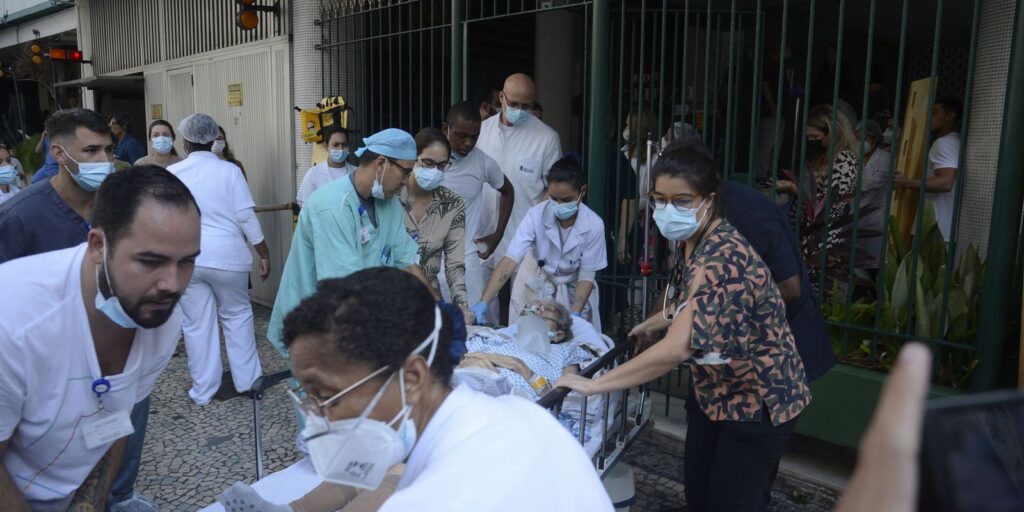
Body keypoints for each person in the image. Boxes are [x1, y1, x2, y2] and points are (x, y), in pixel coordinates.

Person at [219, 267, 613, 512]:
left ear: (411, 378)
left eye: (324, 394)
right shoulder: (514, 419)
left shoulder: (436, 498)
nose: (314, 416)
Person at [557, 143, 811, 511]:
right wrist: (651, 323)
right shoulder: (691, 242)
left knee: (732, 502)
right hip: (717, 394)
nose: (667, 210)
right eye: (659, 199)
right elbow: (690, 303)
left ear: (708, 200)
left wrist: (594, 385)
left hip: (759, 399)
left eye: (681, 201)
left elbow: (677, 348)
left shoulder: (724, 257)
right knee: (700, 495)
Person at [0, 166, 201, 512]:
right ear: (97, 245)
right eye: (151, 261)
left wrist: (89, 506)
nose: (172, 283)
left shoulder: (161, 314)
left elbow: (116, 419)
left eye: (186, 262)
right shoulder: (14, 320)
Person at [268, 128, 434, 358]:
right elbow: (344, 287)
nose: (407, 182)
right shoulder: (332, 206)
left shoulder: (388, 203)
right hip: (316, 327)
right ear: (381, 164)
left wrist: (437, 310)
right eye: (405, 172)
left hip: (357, 319)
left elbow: (406, 261)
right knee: (327, 389)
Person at [169, 113, 271, 406]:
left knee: (197, 325)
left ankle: (202, 391)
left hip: (189, 258)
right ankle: (248, 382)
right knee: (237, 315)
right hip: (229, 258)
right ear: (214, 139)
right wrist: (263, 254)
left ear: (185, 141)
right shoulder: (230, 171)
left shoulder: (174, 174)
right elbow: (245, 217)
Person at [473, 156, 607, 332]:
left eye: (567, 200)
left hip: (573, 288)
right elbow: (509, 261)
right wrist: (484, 302)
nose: (559, 206)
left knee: (571, 339)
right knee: (525, 337)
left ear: (583, 191)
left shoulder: (593, 225)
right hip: (537, 281)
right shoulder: (536, 215)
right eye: (554, 198)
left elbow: (586, 276)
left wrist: (575, 313)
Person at [476, 73, 562, 322]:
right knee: (481, 309)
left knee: (525, 314)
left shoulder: (547, 138)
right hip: (481, 234)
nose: (520, 110)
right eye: (514, 104)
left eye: (527, 106)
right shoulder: (482, 131)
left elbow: (553, 190)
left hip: (524, 240)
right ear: (501, 98)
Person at [0, 108, 114, 264]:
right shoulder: (16, 218)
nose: (105, 160)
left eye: (109, 149)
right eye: (91, 150)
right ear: (59, 154)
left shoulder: (120, 205)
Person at [439, 101, 515, 322]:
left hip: (465, 260)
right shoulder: (427, 161)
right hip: (427, 258)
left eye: (474, 136)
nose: (468, 143)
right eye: (462, 136)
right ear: (446, 129)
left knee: (470, 328)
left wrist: (497, 235)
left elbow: (508, 191)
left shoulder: (483, 163)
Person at [777, 104, 859, 300]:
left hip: (825, 242)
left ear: (831, 131)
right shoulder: (825, 157)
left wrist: (794, 189)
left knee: (819, 296)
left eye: (816, 138)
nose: (811, 142)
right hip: (809, 238)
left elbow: (832, 205)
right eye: (809, 138)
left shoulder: (844, 160)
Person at [400, 128, 469, 309]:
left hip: (431, 303)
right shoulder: (391, 196)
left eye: (442, 165)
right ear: (413, 159)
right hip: (390, 297)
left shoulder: (452, 204)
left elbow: (455, 265)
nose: (435, 171)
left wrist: (461, 306)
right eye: (428, 163)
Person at [894, 97, 962, 243]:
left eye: (934, 113)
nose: (928, 118)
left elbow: (945, 182)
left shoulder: (943, 143)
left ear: (950, 116)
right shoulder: (955, 141)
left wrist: (905, 182)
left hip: (935, 228)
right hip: (945, 229)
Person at [853, 120, 891, 274]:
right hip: (856, 218)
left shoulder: (885, 158)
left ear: (872, 140)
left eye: (860, 139)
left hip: (875, 220)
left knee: (873, 266)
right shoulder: (855, 157)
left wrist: (851, 182)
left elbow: (872, 183)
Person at [296, 125, 356, 206]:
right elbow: (305, 206)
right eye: (335, 145)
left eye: (344, 144)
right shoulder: (313, 174)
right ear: (325, 146)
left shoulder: (356, 172)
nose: (340, 149)